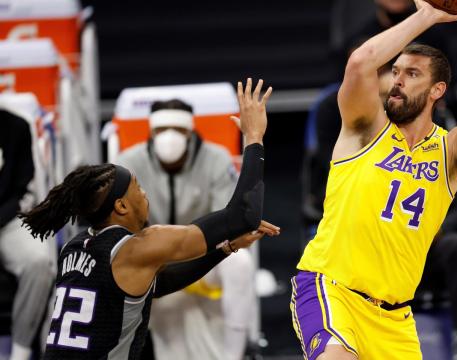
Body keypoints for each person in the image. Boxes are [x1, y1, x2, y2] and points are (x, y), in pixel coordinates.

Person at [291, 0, 457, 358]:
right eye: (395, 71)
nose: (397, 81)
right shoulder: (363, 127)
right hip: (332, 288)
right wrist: (425, 15)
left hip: (394, 318)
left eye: (412, 74)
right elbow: (360, 62)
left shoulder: (450, 155)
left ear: (437, 90)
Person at [19, 79, 280, 360]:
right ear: (120, 206)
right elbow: (243, 214)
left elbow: (160, 284)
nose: (145, 195)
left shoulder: (75, 246)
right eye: (138, 189)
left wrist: (226, 248)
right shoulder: (138, 247)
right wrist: (254, 137)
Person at [115, 98, 258, 360]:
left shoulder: (216, 159)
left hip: (208, 256)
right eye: (161, 130)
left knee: (241, 264)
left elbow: (230, 221)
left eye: (178, 130)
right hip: (157, 264)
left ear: (190, 131)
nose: (169, 137)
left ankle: (235, 354)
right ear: (151, 131)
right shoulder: (127, 164)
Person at [0, 109, 56, 360]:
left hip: (6, 221)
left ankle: (20, 352)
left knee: (39, 261)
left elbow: (21, 187)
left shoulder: (15, 127)